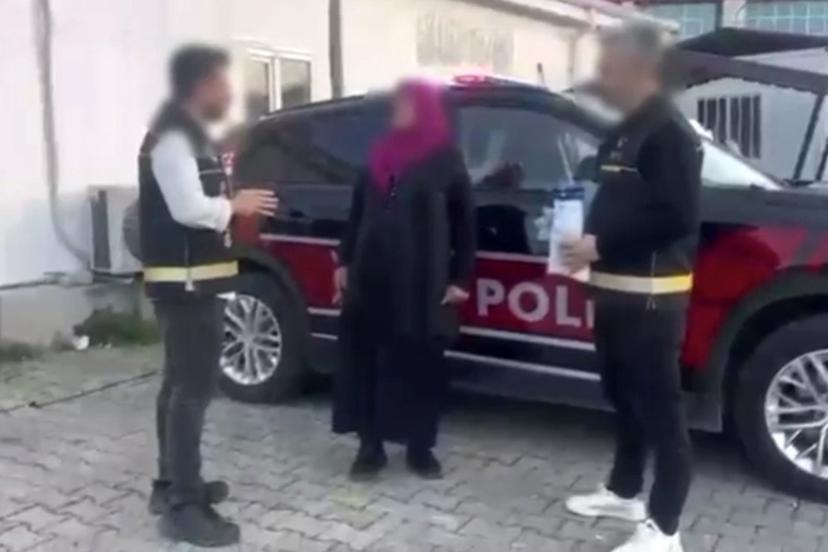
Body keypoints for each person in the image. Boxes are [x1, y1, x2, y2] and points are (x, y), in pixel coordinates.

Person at [561, 23, 703, 552]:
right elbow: (614, 199)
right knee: (622, 398)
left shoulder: (670, 134)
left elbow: (678, 216)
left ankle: (664, 530)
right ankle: (624, 493)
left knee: (661, 412)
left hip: (651, 297)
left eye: (610, 68)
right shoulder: (626, 131)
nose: (602, 77)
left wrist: (601, 244)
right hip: (613, 292)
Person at [138, 45, 277, 547]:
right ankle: (183, 507)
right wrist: (234, 205)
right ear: (198, 86)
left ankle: (172, 483)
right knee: (191, 391)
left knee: (179, 385)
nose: (228, 92)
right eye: (221, 82)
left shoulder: (189, 133)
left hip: (195, 279)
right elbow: (187, 208)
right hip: (187, 281)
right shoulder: (175, 137)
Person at [332, 79, 475, 482]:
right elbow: (357, 212)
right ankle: (370, 447)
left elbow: (465, 223)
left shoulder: (446, 159)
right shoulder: (379, 153)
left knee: (420, 364)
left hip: (422, 283)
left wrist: (461, 278)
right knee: (368, 362)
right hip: (371, 278)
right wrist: (344, 261)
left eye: (406, 104)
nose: (397, 111)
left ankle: (420, 447)